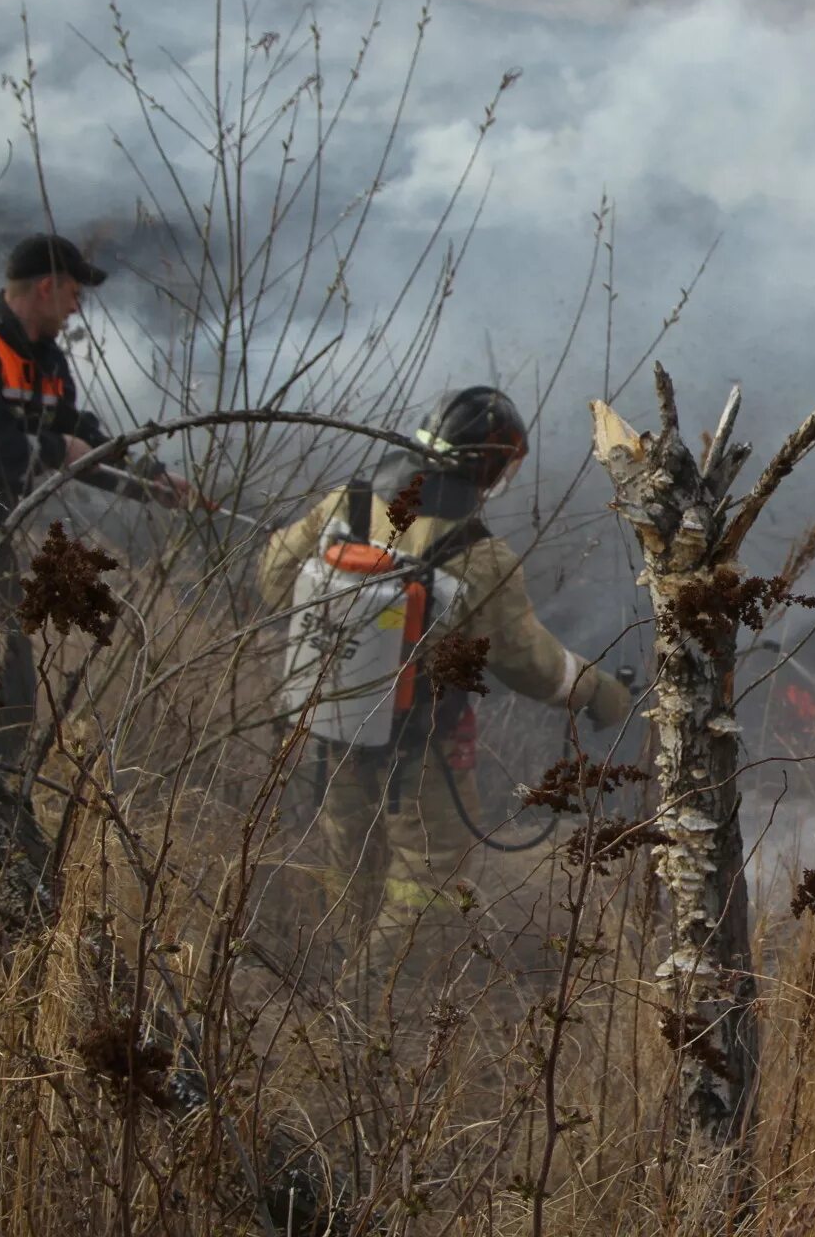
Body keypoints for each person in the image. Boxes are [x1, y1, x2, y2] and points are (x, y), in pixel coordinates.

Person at [257, 385, 634, 969]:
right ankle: (372, 997)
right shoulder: (477, 555)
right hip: (421, 744)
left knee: (352, 855)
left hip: (331, 725)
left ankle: (335, 976)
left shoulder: (346, 505)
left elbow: (275, 580)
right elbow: (530, 664)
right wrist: (602, 693)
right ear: (489, 466)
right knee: (427, 877)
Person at [0, 232, 190, 767]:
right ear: (47, 287)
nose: (79, 304)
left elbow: (77, 439)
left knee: (11, 681)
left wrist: (148, 481)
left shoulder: (47, 362)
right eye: (75, 291)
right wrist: (61, 446)